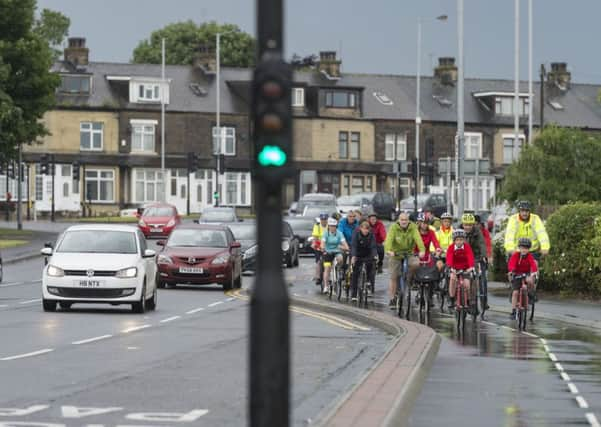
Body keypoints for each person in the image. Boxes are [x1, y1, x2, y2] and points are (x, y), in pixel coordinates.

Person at [384, 212, 426, 307]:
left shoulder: (413, 227)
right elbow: (389, 240)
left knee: (416, 264)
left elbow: (418, 239)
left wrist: (422, 250)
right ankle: (392, 299)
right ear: (399, 220)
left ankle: (409, 279)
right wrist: (388, 251)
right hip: (396, 254)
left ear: (408, 220)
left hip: (408, 253)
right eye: (402, 220)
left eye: (406, 220)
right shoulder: (393, 228)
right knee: (393, 276)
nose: (404, 222)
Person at [507, 238, 538, 319]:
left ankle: (531, 294)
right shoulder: (516, 255)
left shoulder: (529, 256)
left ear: (529, 249)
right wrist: (512, 270)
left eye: (526, 248)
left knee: (530, 280)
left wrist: (534, 272)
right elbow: (511, 264)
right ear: (519, 248)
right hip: (517, 274)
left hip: (526, 274)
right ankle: (513, 311)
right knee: (515, 293)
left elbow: (533, 265)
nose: (524, 250)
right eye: (522, 248)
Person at [446, 229, 475, 309]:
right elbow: (449, 258)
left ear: (464, 240)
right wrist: (451, 267)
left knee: (467, 284)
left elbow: (470, 257)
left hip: (465, 268)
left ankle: (468, 301)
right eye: (457, 240)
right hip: (454, 268)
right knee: (452, 279)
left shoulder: (467, 247)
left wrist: (471, 267)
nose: (459, 242)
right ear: (454, 240)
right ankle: (452, 299)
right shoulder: (451, 247)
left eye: (461, 240)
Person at [350, 220, 378, 301]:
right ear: (360, 228)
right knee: (355, 273)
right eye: (364, 229)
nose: (365, 231)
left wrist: (375, 255)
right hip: (357, 253)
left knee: (371, 265)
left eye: (367, 229)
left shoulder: (371, 235)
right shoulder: (356, 233)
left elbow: (373, 246)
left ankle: (368, 280)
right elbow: (354, 245)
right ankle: (354, 294)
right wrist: (354, 256)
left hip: (367, 253)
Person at [321, 217, 349, 294]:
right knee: (327, 268)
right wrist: (323, 248)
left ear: (336, 227)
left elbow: (345, 245)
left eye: (334, 226)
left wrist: (344, 247)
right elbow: (322, 243)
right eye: (331, 226)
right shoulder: (325, 233)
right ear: (328, 227)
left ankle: (339, 270)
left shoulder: (339, 233)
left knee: (340, 258)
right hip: (328, 252)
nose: (332, 228)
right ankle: (326, 286)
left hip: (337, 251)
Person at [311, 213, 328, 285]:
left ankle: (329, 277)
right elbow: (315, 237)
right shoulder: (317, 226)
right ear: (320, 220)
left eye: (325, 219)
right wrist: (315, 244)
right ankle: (318, 277)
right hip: (319, 244)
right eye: (322, 219)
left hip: (328, 245)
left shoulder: (329, 226)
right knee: (318, 261)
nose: (323, 221)